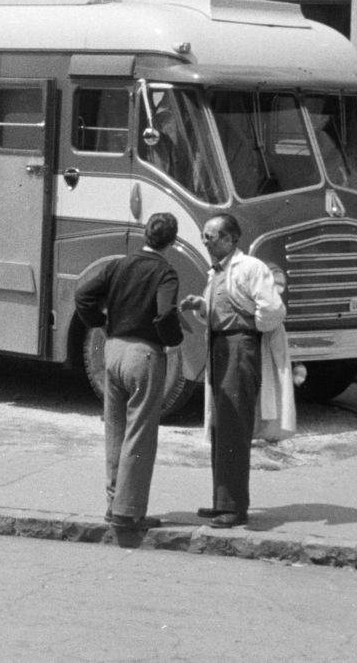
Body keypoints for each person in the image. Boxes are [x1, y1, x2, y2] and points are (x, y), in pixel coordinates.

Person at [75, 212, 184, 534]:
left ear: (145, 235)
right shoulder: (166, 272)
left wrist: (100, 321)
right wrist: (174, 341)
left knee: (115, 431)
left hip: (113, 351)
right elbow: (165, 315)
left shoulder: (118, 265)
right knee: (140, 434)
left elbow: (83, 294)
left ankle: (112, 505)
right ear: (173, 241)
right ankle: (129, 511)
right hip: (143, 356)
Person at [183, 213, 285, 528]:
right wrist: (202, 307)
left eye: (210, 236)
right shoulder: (218, 272)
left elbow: (272, 310)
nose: (204, 240)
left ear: (229, 239)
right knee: (220, 427)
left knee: (234, 429)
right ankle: (222, 501)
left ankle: (235, 507)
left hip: (239, 348)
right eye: (204, 235)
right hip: (220, 348)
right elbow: (219, 311)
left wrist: (246, 329)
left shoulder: (251, 268)